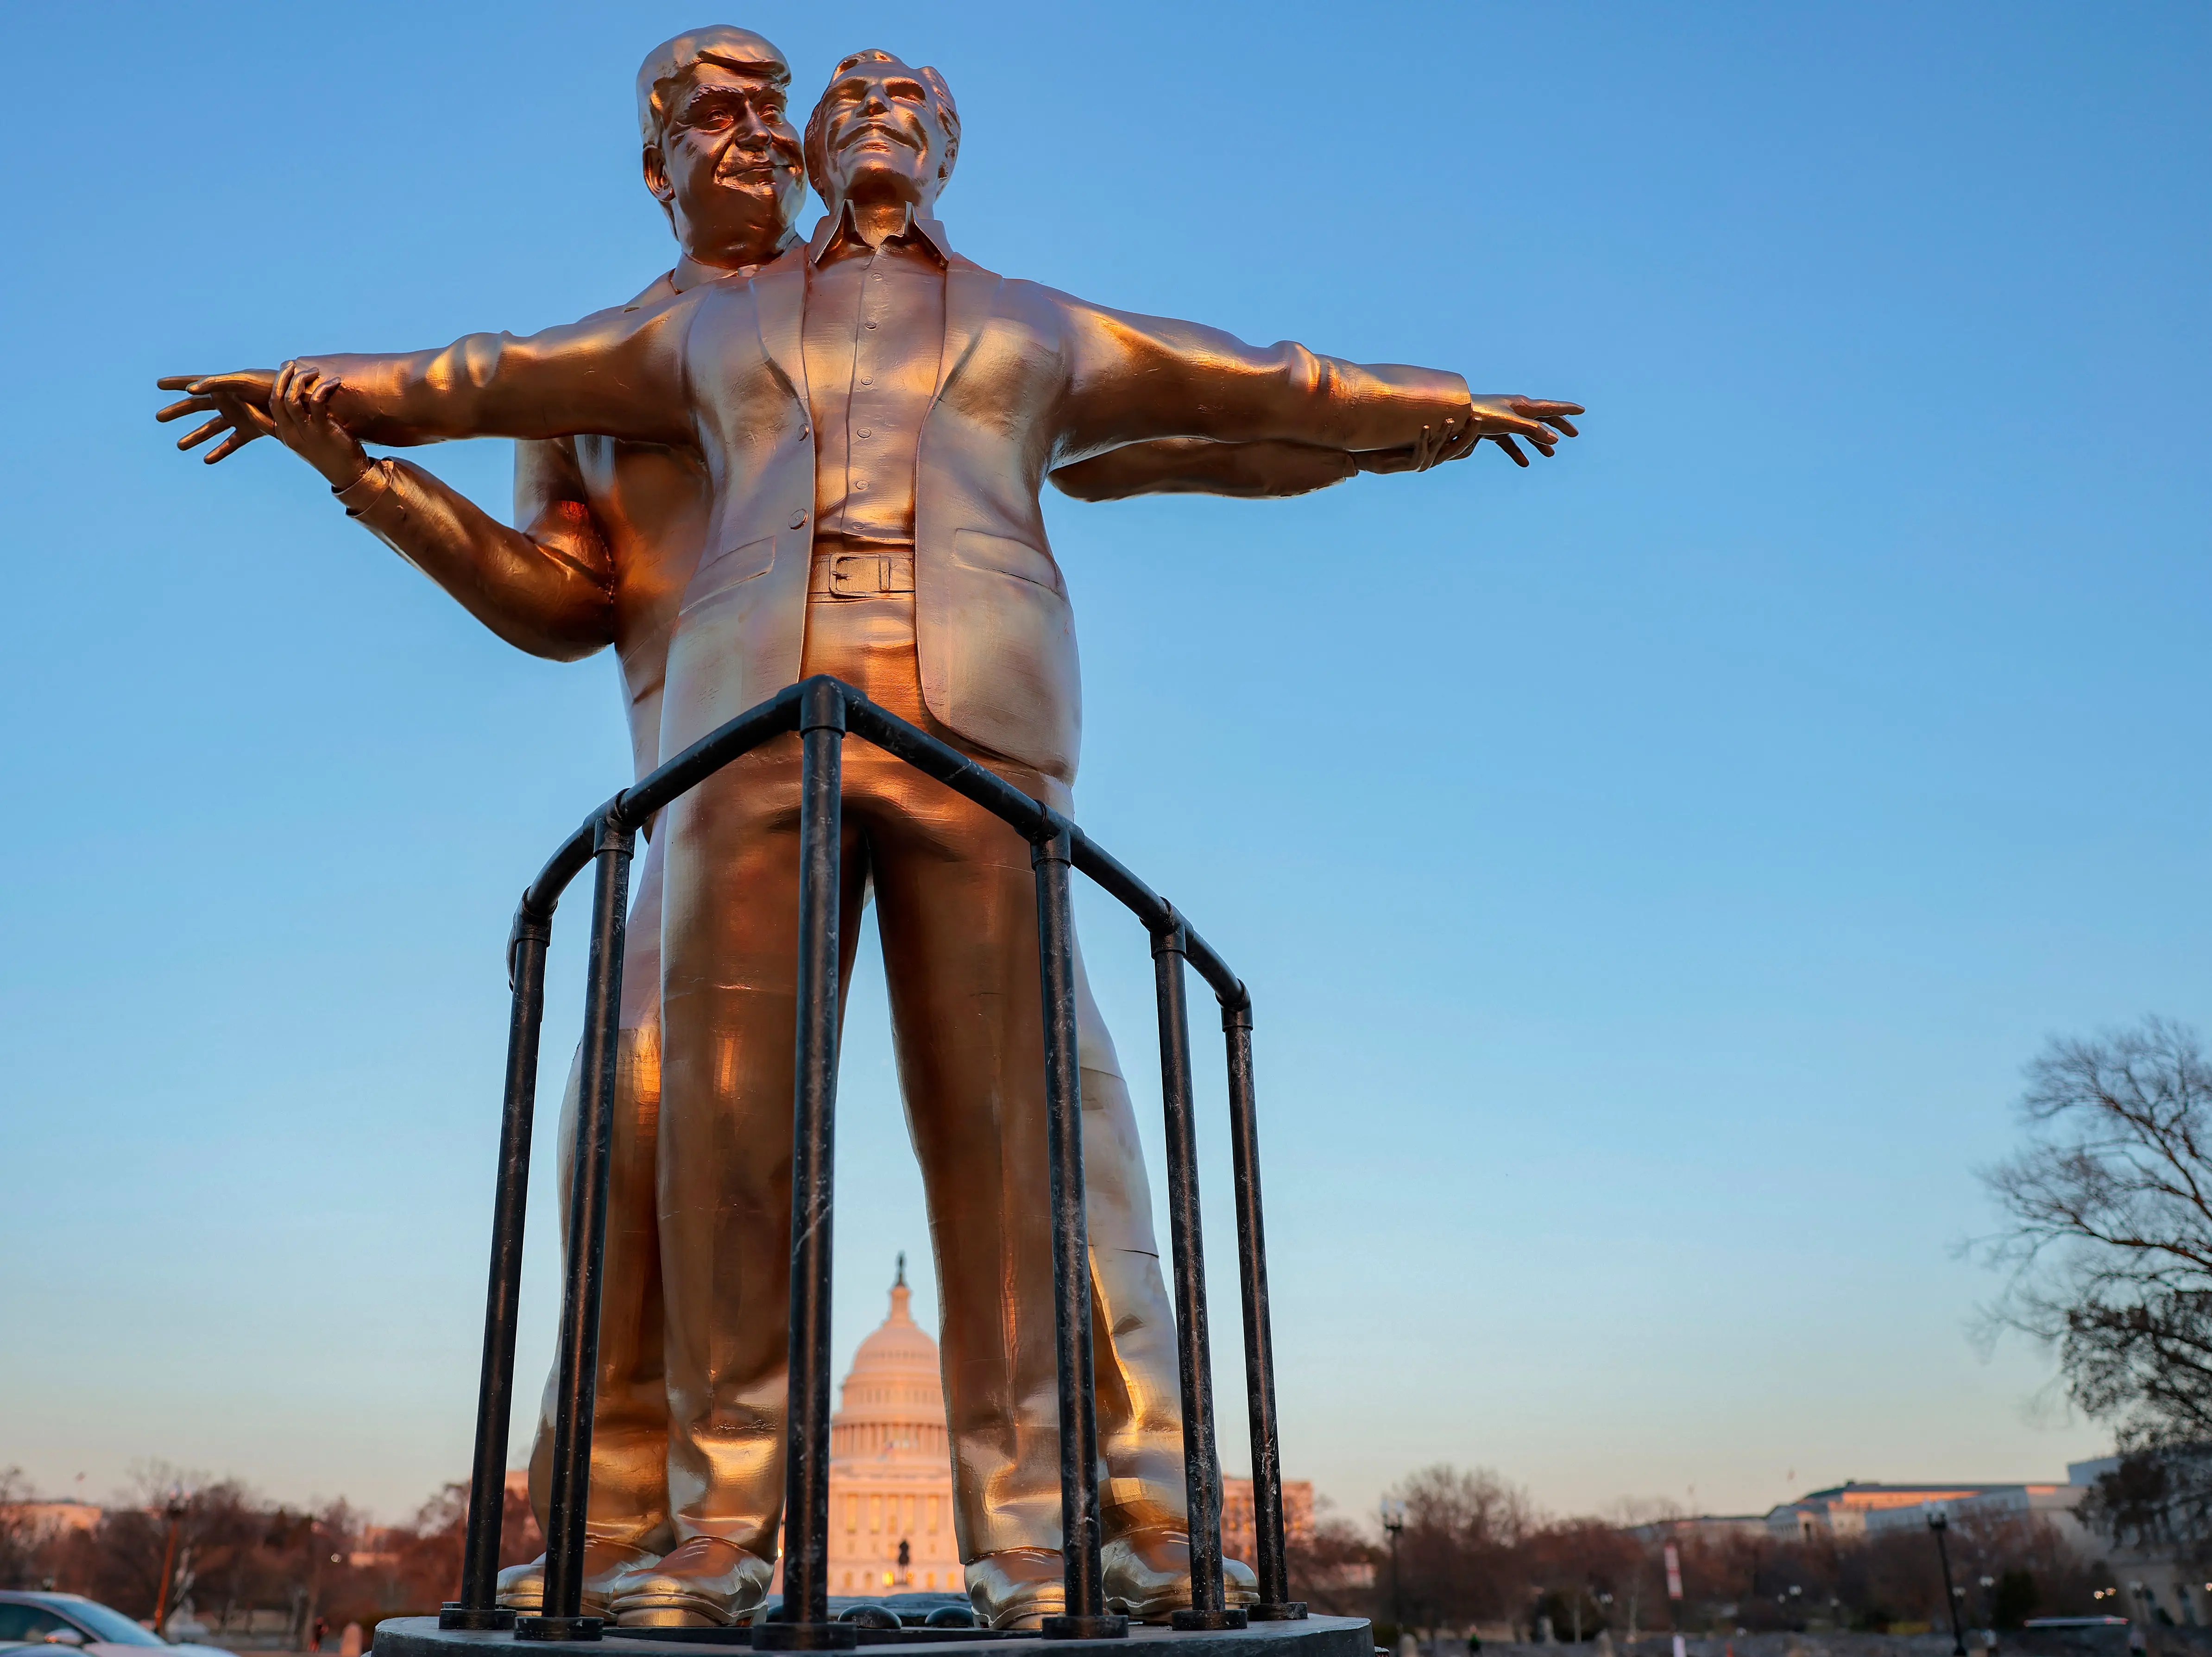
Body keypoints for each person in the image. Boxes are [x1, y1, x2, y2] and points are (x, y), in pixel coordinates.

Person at [161, 45, 1578, 1632]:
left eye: (880, 106)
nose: (823, 126)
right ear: (733, 160)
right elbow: (486, 381)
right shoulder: (684, 331)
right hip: (738, 726)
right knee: (711, 1130)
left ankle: (1056, 1534)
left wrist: (1440, 414)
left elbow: (1246, 387)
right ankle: (713, 1530)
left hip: (972, 710)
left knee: (1023, 1122)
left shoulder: (1035, 319)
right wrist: (328, 403)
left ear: (951, 148)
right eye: (797, 110)